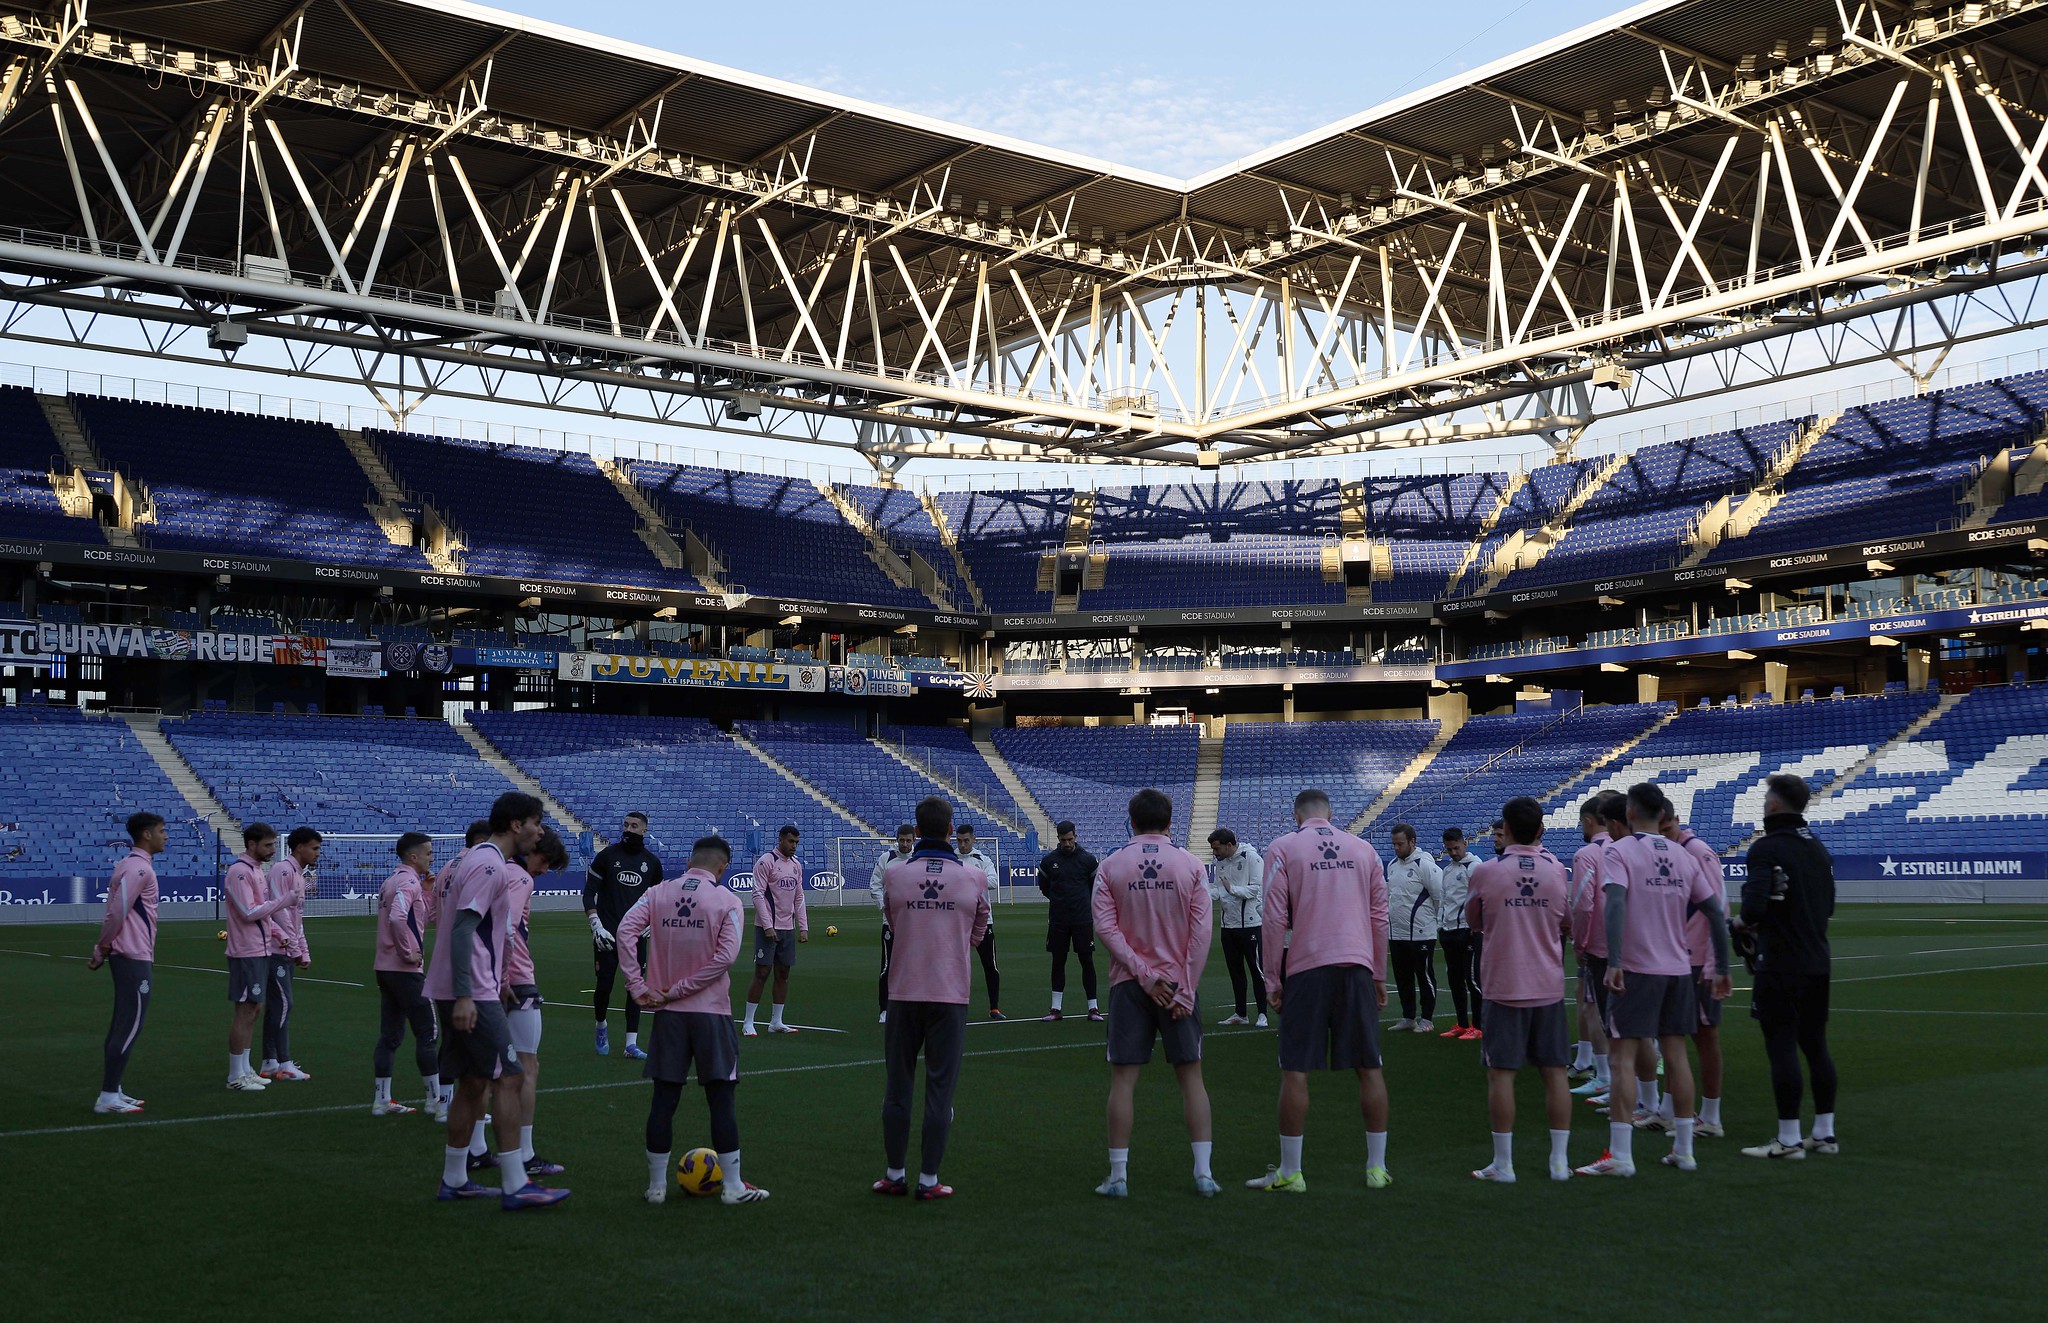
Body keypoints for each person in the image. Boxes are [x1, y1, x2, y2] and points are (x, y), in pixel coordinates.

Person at [1576, 783, 1730, 1179]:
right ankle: (1684, 1150)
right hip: (1678, 969)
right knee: (1676, 1054)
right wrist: (1723, 967)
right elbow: (1715, 911)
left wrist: (1613, 961)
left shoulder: (1620, 850)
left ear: (1629, 812)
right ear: (1662, 813)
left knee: (1622, 1058)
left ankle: (1621, 1155)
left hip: (1638, 967)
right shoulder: (1682, 853)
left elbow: (1614, 902)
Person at [426, 790, 567, 1209]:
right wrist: (468, 994)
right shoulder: (489, 865)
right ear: (516, 824)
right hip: (470, 990)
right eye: (536, 823)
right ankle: (515, 1182)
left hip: (466, 986)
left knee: (473, 1083)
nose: (540, 832)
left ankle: (455, 1178)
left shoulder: (475, 860)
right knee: (509, 1077)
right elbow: (462, 929)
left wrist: (497, 979)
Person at [1247, 788, 1391, 1194]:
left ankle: (1291, 1173)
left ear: (1297, 816)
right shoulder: (1363, 849)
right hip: (1356, 965)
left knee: (1296, 1069)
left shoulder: (1283, 847)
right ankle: (1376, 1168)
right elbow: (1379, 916)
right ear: (1331, 814)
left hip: (1307, 967)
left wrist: (1272, 980)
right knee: (1370, 1067)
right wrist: (1378, 974)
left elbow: (1273, 917)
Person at [621, 835, 768, 1205]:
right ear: (723, 867)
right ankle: (732, 1188)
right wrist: (680, 989)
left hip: (668, 1015)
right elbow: (725, 958)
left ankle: (656, 1188)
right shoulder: (727, 900)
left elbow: (625, 930)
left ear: (689, 861)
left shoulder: (657, 893)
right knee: (721, 1099)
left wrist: (637, 984)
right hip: (710, 1013)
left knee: (664, 1099)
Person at [1093, 789, 1218, 1198]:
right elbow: (1201, 932)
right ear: (1170, 822)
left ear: (1131, 822)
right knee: (1192, 1078)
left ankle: (1118, 1177)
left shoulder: (1111, 865)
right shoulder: (1191, 865)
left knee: (1123, 1081)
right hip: (1179, 985)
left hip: (1130, 984)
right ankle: (1203, 1173)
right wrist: (1187, 987)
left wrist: (1144, 974)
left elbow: (1106, 929)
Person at [873, 796, 990, 1201]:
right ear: (951, 831)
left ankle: (894, 1174)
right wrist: (955, 944)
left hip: (904, 992)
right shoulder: (974, 877)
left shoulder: (894, 874)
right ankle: (928, 1180)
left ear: (918, 831)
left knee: (897, 1086)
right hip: (950, 994)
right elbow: (981, 928)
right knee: (940, 1089)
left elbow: (892, 922)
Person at [1463, 796, 1575, 1183]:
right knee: (1555, 1073)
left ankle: (1504, 1164)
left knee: (1501, 1075)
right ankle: (1558, 1162)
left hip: (1504, 985)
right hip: (1547, 985)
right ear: (1541, 829)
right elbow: (1567, 921)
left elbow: (1474, 920)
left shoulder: (1486, 872)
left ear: (1506, 829)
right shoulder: (1557, 869)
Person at [1738, 773, 1841, 1162]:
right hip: (1818, 959)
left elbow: (1752, 910)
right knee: (1816, 1046)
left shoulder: (1767, 848)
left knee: (1781, 1047)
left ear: (1775, 804)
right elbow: (1828, 906)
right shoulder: (1817, 846)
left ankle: (1789, 1139)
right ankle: (1825, 1133)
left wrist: (1738, 923)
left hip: (1781, 961)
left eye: (1766, 798)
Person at [500, 827, 570, 1181]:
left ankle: (475, 1151)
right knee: (527, 1067)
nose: (544, 870)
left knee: (485, 1071)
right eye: (545, 861)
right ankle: (524, 1154)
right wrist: (504, 976)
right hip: (515, 979)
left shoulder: (488, 868)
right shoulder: (518, 877)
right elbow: (508, 927)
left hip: (481, 978)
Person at [1657, 805, 1728, 1138]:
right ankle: (1667, 1110)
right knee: (1672, 1036)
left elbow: (1718, 908)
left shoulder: (1697, 851)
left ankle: (1711, 1116)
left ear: (1677, 821)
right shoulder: (1668, 852)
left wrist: (1714, 964)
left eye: (1667, 829)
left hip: (1698, 959)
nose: (1664, 836)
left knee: (1705, 1035)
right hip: (1675, 958)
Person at [87, 811, 165, 1114]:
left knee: (123, 1022)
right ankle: (107, 1096)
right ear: (146, 834)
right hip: (132, 954)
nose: (166, 836)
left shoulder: (129, 865)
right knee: (130, 1023)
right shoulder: (139, 869)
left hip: (131, 952)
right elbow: (116, 912)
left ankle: (114, 1088)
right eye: (161, 830)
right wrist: (102, 947)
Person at [222, 822, 298, 1093]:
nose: (272, 850)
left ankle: (245, 1069)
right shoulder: (239, 872)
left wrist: (277, 933)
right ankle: (235, 1075)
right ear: (251, 844)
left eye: (273, 844)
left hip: (261, 948)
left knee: (254, 1009)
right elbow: (249, 911)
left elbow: (261, 912)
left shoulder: (255, 871)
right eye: (267, 845)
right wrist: (284, 900)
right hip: (246, 950)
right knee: (245, 1011)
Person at [371, 832, 439, 1116]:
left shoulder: (392, 881)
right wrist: (407, 952)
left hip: (385, 968)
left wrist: (427, 892)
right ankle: (436, 1102)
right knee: (428, 1032)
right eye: (428, 853)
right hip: (404, 969)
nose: (432, 858)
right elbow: (398, 918)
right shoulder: (407, 882)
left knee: (390, 1034)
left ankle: (381, 1100)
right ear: (413, 857)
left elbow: (419, 920)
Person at [586, 811, 662, 1058]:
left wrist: (654, 921)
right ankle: (601, 1025)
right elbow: (589, 893)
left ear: (644, 830)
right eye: (626, 825)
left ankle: (631, 1045)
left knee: (635, 988)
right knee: (604, 986)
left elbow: (658, 900)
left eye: (634, 826)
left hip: (635, 936)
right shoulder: (607, 856)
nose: (629, 829)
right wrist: (596, 924)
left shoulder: (651, 863)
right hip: (607, 934)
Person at [259, 826, 320, 1082]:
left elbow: (297, 917)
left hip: (286, 947)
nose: (318, 853)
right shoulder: (282, 870)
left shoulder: (298, 874)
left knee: (277, 1004)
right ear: (299, 847)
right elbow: (278, 911)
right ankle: (283, 1062)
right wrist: (295, 947)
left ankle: (270, 1061)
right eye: (314, 848)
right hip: (277, 948)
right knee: (284, 1003)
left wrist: (302, 950)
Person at [1567, 794, 1617, 1097]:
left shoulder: (1588, 853)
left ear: (1588, 821)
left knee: (1595, 1010)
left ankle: (1606, 1077)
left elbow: (1583, 905)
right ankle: (1637, 1089)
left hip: (1599, 944)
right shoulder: (1626, 847)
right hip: (1631, 944)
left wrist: (1579, 943)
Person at [743, 825, 809, 1036]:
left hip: (787, 928)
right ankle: (748, 1022)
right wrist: (768, 926)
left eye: (796, 842)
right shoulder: (766, 861)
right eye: (791, 841)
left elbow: (799, 897)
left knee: (783, 973)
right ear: (780, 840)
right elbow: (757, 894)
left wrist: (803, 927)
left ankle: (776, 1022)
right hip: (768, 928)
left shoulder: (796, 865)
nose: (794, 846)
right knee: (762, 972)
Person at [1384, 823, 1444, 1034]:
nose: (1396, 848)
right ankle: (1408, 1017)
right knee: (1403, 977)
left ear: (1412, 842)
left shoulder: (1424, 865)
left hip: (1421, 934)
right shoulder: (1392, 865)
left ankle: (1427, 1019)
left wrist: (1434, 923)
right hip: (1397, 934)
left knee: (1424, 976)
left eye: (1400, 844)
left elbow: (1440, 896)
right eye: (1394, 844)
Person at [1038, 821, 1100, 1021]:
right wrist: (1060, 901)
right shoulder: (1049, 861)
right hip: (1058, 920)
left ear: (1075, 837)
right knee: (1058, 961)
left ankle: (1093, 1008)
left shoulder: (1088, 860)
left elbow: (1094, 887)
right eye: (1063, 840)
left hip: (1082, 919)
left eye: (1070, 839)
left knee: (1087, 960)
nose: (1067, 843)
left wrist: (1080, 902)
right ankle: (1055, 1009)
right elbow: (1044, 887)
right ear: (1058, 838)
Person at [1206, 827, 1267, 1027]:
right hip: (1228, 925)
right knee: (1235, 971)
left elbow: (1255, 890)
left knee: (1257, 970)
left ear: (1229, 845)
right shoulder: (1221, 862)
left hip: (1250, 924)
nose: (1215, 853)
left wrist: (1232, 889)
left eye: (1217, 848)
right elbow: (1218, 890)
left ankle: (1263, 1014)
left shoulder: (1252, 858)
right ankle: (1241, 1014)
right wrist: (1202, 895)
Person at [1436, 827, 1482, 1040]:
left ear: (1465, 843)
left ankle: (1479, 1026)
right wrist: (1441, 925)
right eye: (1449, 849)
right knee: (1454, 980)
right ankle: (1462, 1024)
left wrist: (1476, 926)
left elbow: (1481, 898)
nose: (1453, 853)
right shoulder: (1447, 870)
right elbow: (1444, 899)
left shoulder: (1475, 867)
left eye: (1456, 848)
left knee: (1472, 980)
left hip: (1468, 930)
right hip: (1449, 931)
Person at [955, 823, 1004, 1020]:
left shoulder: (982, 859)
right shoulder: (951, 859)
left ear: (973, 839)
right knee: (956, 966)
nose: (962, 844)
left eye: (966, 840)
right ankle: (955, 1008)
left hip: (983, 921)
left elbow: (993, 882)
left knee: (990, 965)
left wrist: (967, 878)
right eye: (959, 841)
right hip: (957, 921)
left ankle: (994, 1008)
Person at [869, 824, 916, 1024]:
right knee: (888, 967)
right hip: (890, 924)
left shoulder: (919, 859)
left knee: (914, 967)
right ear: (896, 839)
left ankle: (911, 1008)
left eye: (908, 840)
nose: (904, 844)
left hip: (915, 924)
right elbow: (875, 886)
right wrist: (885, 908)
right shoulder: (886, 858)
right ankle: (885, 1009)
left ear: (914, 840)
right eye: (901, 840)